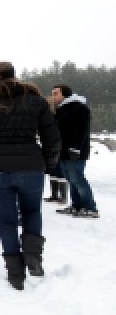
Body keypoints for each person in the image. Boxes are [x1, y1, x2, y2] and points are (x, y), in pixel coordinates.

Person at [0, 62, 61, 290]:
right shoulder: (36, 102)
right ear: (15, 76)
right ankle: (33, 257)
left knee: (6, 219)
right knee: (31, 211)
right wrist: (48, 164)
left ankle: (14, 272)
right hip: (31, 165)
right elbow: (52, 138)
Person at [52, 84, 99, 218]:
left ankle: (90, 208)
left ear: (64, 94)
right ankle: (77, 205)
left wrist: (76, 148)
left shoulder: (79, 107)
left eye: (56, 93)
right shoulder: (62, 109)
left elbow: (82, 130)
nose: (53, 97)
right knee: (71, 179)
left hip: (75, 151)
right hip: (63, 150)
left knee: (78, 179)